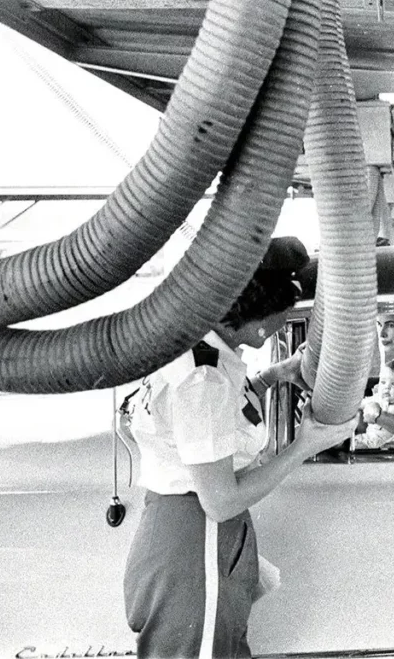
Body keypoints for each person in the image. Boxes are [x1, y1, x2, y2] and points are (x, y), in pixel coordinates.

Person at [123, 237, 356, 659]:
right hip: (198, 541)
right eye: (285, 315)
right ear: (263, 316)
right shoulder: (204, 379)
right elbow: (220, 500)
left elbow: (215, 420)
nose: (284, 326)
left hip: (188, 535)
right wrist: (304, 445)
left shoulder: (202, 352)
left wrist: (273, 376)